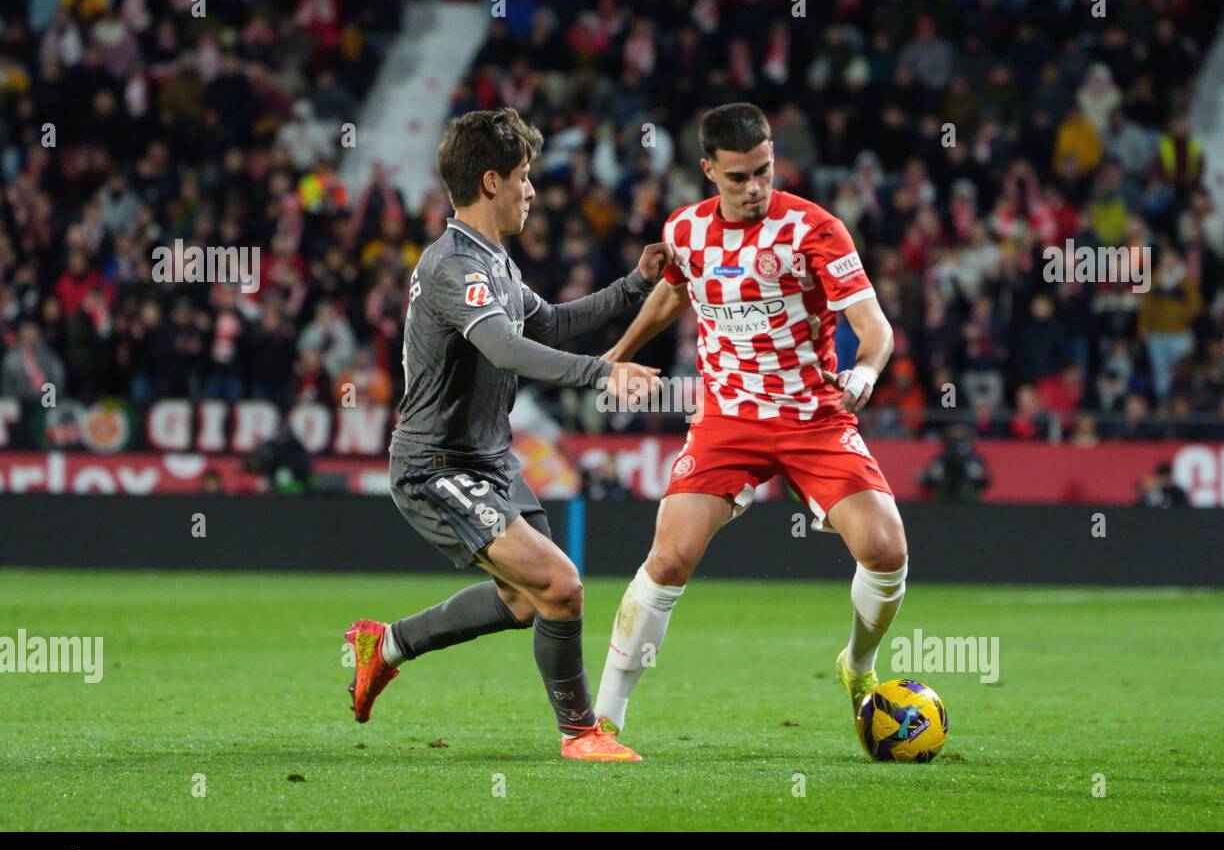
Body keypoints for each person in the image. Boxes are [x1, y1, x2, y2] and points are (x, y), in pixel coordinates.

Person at [344, 108, 675, 762]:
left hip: (485, 459)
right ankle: (581, 734)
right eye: (523, 177)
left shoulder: (492, 262)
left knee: (527, 602)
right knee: (561, 585)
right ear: (491, 181)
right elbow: (504, 347)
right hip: (435, 465)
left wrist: (635, 285)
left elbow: (544, 326)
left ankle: (385, 645)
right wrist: (603, 374)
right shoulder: (452, 266)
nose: (532, 191)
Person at [593, 103, 909, 738]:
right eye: (737, 177)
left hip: (812, 415)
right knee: (671, 556)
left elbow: (874, 329)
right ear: (709, 170)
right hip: (726, 419)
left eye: (763, 171)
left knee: (885, 549)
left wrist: (867, 372)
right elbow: (676, 290)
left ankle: (859, 663)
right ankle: (603, 720)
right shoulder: (684, 232)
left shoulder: (815, 230)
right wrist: (618, 355)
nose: (754, 188)